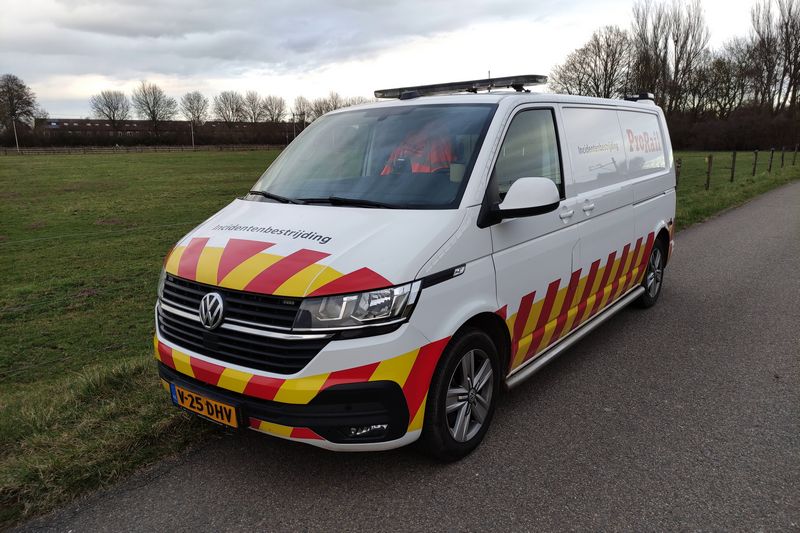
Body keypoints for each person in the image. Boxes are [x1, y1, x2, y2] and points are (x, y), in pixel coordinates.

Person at [381, 117, 455, 175]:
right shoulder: (441, 140)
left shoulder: (400, 148)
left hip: (403, 189)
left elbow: (384, 177)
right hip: (434, 188)